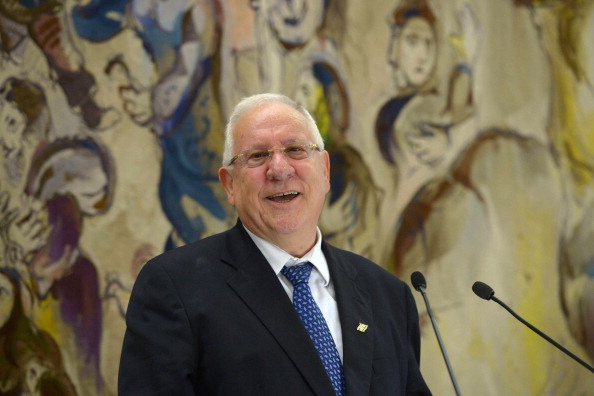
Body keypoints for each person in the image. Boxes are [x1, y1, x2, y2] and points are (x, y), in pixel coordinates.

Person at [118, 93, 432, 395]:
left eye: (295, 149)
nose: (279, 169)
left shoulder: (389, 295)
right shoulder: (174, 288)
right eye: (257, 156)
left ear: (324, 171)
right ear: (230, 184)